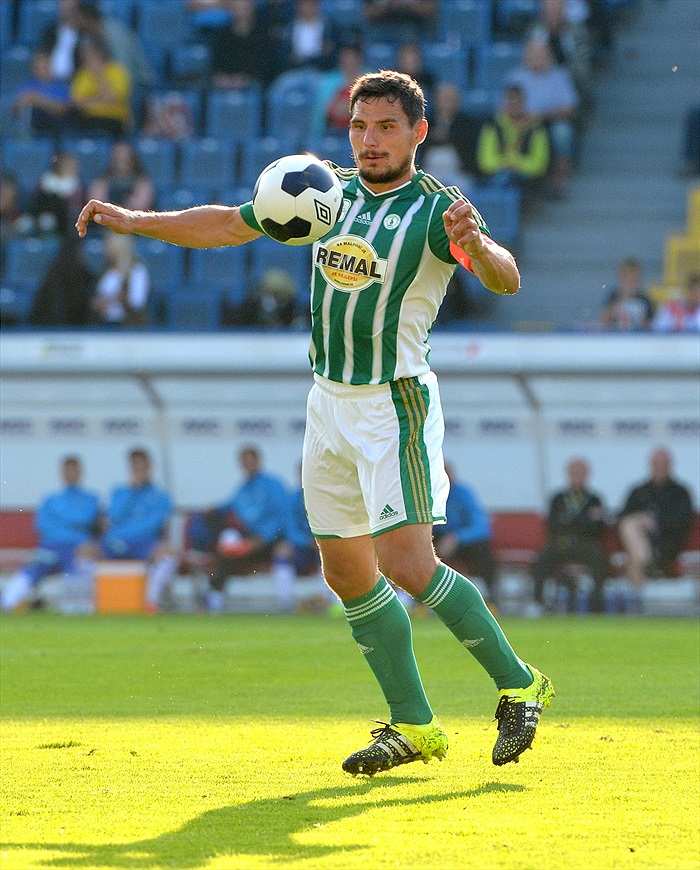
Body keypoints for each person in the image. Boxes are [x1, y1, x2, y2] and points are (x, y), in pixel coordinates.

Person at [76, 69, 555, 775]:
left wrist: (479, 247)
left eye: (387, 127)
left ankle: (520, 684)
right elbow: (230, 224)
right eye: (360, 127)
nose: (370, 140)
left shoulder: (436, 210)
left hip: (394, 403)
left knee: (407, 564)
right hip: (327, 402)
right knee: (346, 571)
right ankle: (415, 727)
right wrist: (139, 221)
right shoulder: (323, 191)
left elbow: (506, 277)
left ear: (419, 133)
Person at [75, 448, 177, 613]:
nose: (138, 470)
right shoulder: (120, 491)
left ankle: (150, 600)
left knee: (168, 553)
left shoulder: (161, 496)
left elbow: (155, 523)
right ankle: (98, 598)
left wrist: (133, 531)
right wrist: (132, 491)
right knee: (85, 551)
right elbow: (114, 516)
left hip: (145, 543)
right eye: (134, 466)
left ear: (149, 467)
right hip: (115, 542)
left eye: (141, 466)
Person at [0, 456, 100, 612]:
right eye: (67, 470)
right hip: (51, 547)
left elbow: (86, 519)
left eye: (74, 470)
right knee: (33, 569)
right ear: (62, 473)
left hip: (77, 548)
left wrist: (62, 521)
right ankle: (6, 603)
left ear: (80, 472)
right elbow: (43, 526)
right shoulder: (50, 500)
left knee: (82, 564)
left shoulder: (90, 498)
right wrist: (72, 524)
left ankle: (76, 610)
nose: (71, 474)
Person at [199, 446, 290, 612]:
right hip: (247, 541)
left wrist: (263, 538)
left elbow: (283, 516)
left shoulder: (273, 485)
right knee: (225, 551)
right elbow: (230, 505)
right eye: (243, 461)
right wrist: (213, 509)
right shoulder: (243, 488)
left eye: (250, 460)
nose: (247, 464)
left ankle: (285, 604)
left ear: (258, 461)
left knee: (280, 550)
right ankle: (214, 602)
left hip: (268, 541)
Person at [529, 458, 608, 616]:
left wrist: (570, 521)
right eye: (574, 473)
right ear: (568, 474)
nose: (577, 476)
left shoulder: (595, 499)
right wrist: (584, 519)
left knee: (599, 556)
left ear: (587, 475)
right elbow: (553, 525)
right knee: (543, 556)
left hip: (585, 544)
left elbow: (596, 528)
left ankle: (596, 606)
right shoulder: (558, 498)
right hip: (562, 543)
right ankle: (537, 602)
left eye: (581, 473)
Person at [617, 447, 694, 612]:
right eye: (656, 464)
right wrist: (641, 519)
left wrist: (654, 522)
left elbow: (682, 522)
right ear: (650, 465)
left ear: (670, 465)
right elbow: (622, 516)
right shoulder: (638, 491)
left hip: (668, 544)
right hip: (642, 545)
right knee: (630, 527)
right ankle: (646, 565)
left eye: (663, 464)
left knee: (633, 558)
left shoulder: (680, 492)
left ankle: (639, 609)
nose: (659, 468)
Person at [506, 37, 578, 198]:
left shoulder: (560, 76)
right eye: (534, 55)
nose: (538, 58)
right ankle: (514, 179)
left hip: (550, 121)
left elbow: (569, 108)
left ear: (549, 56)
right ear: (526, 56)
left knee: (562, 132)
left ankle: (560, 180)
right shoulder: (516, 76)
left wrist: (541, 114)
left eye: (542, 55)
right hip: (521, 122)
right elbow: (506, 105)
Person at [432, 464, 500, 606]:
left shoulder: (464, 494)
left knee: (483, 550)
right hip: (437, 540)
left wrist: (456, 538)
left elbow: (481, 527)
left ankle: (490, 599)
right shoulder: (427, 495)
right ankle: (420, 603)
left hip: (462, 543)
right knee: (421, 551)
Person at [476, 84, 550, 199]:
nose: (514, 105)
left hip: (526, 177)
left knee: (509, 181)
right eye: (511, 101)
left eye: (518, 102)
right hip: (498, 173)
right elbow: (486, 161)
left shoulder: (536, 127)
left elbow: (539, 164)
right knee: (503, 179)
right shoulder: (493, 125)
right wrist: (505, 164)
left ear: (524, 102)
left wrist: (517, 165)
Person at [419, 82, 480, 191]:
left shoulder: (467, 124)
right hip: (430, 171)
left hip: (457, 173)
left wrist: (448, 136)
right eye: (444, 98)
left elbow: (469, 149)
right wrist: (434, 137)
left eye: (450, 98)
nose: (447, 102)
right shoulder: (427, 121)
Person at [68, 35, 132, 138]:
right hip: (87, 118)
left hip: (112, 119)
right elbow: (76, 102)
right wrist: (100, 99)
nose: (86, 59)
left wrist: (99, 76)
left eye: (90, 54)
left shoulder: (118, 71)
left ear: (100, 54)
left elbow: (113, 98)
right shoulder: (83, 74)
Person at [210, 0, 279, 90]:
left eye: (244, 8)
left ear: (252, 9)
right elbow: (217, 63)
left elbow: (267, 64)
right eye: (237, 8)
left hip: (256, 83)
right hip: (227, 82)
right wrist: (223, 78)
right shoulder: (222, 35)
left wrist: (246, 78)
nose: (241, 11)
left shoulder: (263, 35)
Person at [17, 151, 86, 239]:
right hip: (40, 213)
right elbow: (35, 200)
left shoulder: (78, 186)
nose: (71, 168)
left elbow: (77, 207)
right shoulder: (46, 181)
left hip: (64, 222)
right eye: (67, 165)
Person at [90, 233, 150, 327]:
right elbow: (96, 300)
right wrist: (99, 304)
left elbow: (138, 303)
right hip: (104, 324)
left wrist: (120, 298)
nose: (104, 249)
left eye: (107, 245)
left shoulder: (137, 270)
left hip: (127, 326)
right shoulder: (105, 270)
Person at [12, 47, 71, 137]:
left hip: (56, 129)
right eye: (38, 67)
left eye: (45, 66)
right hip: (33, 127)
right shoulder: (27, 85)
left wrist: (38, 100)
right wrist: (22, 102)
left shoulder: (61, 85)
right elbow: (15, 110)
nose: (42, 70)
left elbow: (62, 110)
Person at [88, 141, 155, 212]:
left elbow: (141, 205)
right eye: (118, 157)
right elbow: (96, 203)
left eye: (125, 158)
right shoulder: (103, 180)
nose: (122, 160)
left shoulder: (141, 181)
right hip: (106, 218)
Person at [599, 256, 654, 331]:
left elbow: (651, 325)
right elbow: (604, 319)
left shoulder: (644, 299)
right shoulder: (614, 296)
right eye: (626, 278)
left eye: (632, 279)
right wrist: (624, 297)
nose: (629, 282)